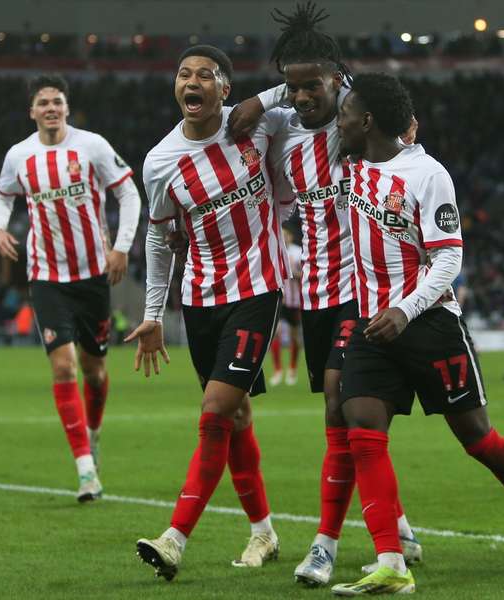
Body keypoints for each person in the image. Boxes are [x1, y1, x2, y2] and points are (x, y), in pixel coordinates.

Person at [330, 73, 504, 595]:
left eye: (346, 114)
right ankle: (392, 563)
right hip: (374, 325)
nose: (339, 122)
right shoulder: (351, 166)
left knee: (478, 439)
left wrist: (406, 308)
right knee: (363, 432)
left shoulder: (427, 173)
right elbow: (324, 93)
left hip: (429, 323)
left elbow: (449, 257)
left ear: (367, 121)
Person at [228, 5, 422, 586]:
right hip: (312, 289)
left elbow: (405, 141)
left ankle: (325, 543)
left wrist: (331, 83)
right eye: (296, 84)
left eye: (315, 83)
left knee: (344, 401)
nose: (305, 94)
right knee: (339, 418)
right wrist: (281, 92)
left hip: (363, 290)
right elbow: (237, 123)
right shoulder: (284, 130)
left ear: (340, 79)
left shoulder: (361, 125)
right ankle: (398, 528)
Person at [126, 45, 289, 581]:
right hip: (200, 300)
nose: (190, 82)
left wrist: (263, 98)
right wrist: (154, 312)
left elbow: (324, 89)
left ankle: (174, 538)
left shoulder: (258, 127)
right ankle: (264, 533)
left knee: (215, 411)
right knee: (237, 416)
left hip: (258, 288)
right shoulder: (160, 161)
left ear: (225, 88)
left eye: (205, 75)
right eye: (182, 74)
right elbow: (158, 236)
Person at [0, 74, 140, 501]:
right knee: (62, 367)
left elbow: (128, 195)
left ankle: (93, 433)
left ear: (67, 108)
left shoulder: (91, 146)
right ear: (32, 111)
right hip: (46, 276)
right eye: (43, 103)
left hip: (93, 275)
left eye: (57, 101)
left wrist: (122, 248)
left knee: (95, 371)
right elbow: (2, 196)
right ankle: (86, 470)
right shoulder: (20, 155)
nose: (51, 108)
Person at [269, 226, 302, 386]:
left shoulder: (298, 252)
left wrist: (294, 274)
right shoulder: (274, 250)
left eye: (287, 234)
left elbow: (305, 273)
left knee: (295, 336)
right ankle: (277, 370)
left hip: (295, 301)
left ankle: (293, 369)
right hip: (279, 300)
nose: (285, 237)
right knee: (276, 334)